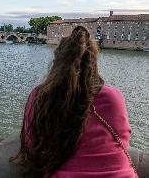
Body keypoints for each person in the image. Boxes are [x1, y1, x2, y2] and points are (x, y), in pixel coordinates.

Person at [12, 26, 137, 178]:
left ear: (57, 61)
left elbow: (31, 146)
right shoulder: (114, 96)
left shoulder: (41, 95)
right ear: (93, 62)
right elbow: (124, 139)